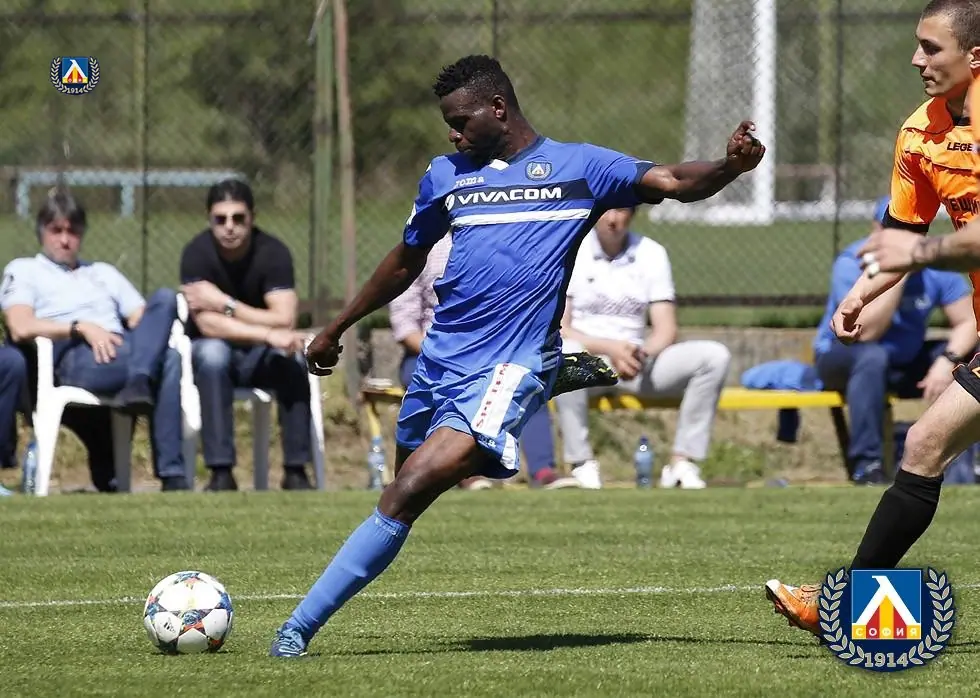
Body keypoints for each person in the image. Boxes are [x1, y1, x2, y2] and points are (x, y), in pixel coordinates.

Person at [269, 54, 764, 656]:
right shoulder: (446, 176)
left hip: (509, 365)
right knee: (407, 486)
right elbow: (405, 261)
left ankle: (296, 629)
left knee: (405, 492)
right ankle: (547, 381)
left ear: (498, 108)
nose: (452, 135)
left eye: (460, 121)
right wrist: (338, 326)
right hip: (442, 360)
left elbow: (675, 181)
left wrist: (729, 167)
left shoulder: (581, 168)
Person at [765, 0, 980, 635]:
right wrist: (860, 293)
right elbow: (902, 232)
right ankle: (850, 609)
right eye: (917, 44)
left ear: (974, 57)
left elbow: (925, 248)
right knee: (925, 444)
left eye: (931, 48)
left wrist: (920, 255)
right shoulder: (920, 134)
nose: (917, 59)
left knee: (925, 443)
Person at [1, 189, 187, 491]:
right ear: (41, 232)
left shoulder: (103, 273)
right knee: (170, 361)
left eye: (73, 231)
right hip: (78, 356)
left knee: (166, 300)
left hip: (125, 349)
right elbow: (19, 326)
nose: (65, 240)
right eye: (56, 230)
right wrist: (80, 328)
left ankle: (141, 384)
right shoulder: (25, 270)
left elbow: (143, 318)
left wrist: (141, 338)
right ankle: (172, 471)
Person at [554, 206, 731, 489]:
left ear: (633, 213)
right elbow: (562, 328)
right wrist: (611, 349)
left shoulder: (651, 253)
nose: (613, 219)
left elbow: (666, 329)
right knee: (564, 353)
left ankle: (682, 463)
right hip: (591, 362)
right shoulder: (573, 250)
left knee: (714, 357)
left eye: (621, 210)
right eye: (607, 210)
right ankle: (581, 465)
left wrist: (641, 353)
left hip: (637, 363)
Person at [388, 234, 578, 489]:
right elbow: (405, 328)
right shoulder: (424, 248)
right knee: (452, 390)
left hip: (489, 352)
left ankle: (543, 470)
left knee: (527, 380)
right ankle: (462, 473)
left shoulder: (499, 243)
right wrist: (446, 356)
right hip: (428, 356)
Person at [812, 197, 977, 484]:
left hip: (903, 359)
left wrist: (946, 361)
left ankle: (969, 467)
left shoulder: (932, 265)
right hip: (844, 358)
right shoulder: (853, 261)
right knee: (872, 358)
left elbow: (968, 321)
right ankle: (868, 466)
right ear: (876, 231)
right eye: (893, 229)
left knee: (971, 358)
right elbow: (866, 332)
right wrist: (898, 273)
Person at [179, 180, 315, 492]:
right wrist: (268, 333)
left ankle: (296, 471)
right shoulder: (196, 254)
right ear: (209, 219)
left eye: (238, 218)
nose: (229, 227)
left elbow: (285, 318)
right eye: (220, 219)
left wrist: (224, 304)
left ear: (252, 217)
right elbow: (208, 326)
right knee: (212, 355)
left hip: (261, 356)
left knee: (292, 359)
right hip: (217, 351)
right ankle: (221, 472)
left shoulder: (273, 252)